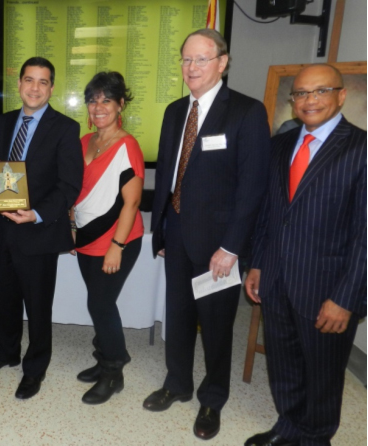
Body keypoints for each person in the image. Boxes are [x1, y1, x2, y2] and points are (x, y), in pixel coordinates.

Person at [146, 29, 271, 440]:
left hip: (219, 245)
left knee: (217, 326)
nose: (191, 67)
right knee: (178, 317)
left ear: (223, 62)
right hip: (178, 234)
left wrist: (232, 248)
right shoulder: (173, 111)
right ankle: (177, 383)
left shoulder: (246, 112)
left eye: (201, 59)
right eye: (186, 60)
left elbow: (253, 187)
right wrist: (161, 230)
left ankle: (212, 398)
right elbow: (167, 175)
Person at [244, 64, 366, 446]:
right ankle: (289, 425)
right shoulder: (281, 145)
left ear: (341, 96)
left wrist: (345, 299)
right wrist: (259, 264)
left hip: (327, 290)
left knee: (324, 374)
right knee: (284, 366)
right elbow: (269, 214)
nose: (309, 100)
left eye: (321, 91)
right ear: (292, 101)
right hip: (277, 281)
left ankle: (315, 437)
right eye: (301, 93)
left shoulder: (361, 148)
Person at [0, 57, 83, 399]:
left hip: (39, 231)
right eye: (29, 80)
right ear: (19, 84)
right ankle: (7, 350)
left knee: (38, 306)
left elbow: (69, 185)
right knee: (2, 298)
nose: (35, 88)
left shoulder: (66, 128)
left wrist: (37, 214)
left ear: (52, 88)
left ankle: (35, 367)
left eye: (43, 82)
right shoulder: (4, 122)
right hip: (3, 229)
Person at [70, 72, 144, 405]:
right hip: (86, 238)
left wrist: (117, 247)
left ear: (120, 105)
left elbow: (132, 202)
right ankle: (105, 359)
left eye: (106, 100)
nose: (99, 107)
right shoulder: (85, 141)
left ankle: (114, 371)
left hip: (117, 239)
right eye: (93, 100)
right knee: (97, 302)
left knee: (100, 304)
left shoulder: (128, 146)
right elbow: (78, 189)